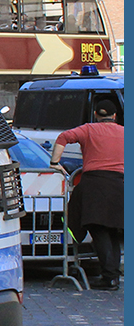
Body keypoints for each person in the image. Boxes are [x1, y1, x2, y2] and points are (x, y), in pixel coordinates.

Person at [50, 99, 124, 289]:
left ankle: (110, 277)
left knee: (98, 228)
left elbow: (63, 137)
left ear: (96, 115)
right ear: (114, 116)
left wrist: (54, 163)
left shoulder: (88, 129)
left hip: (94, 185)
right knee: (112, 230)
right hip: (119, 185)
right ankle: (112, 275)